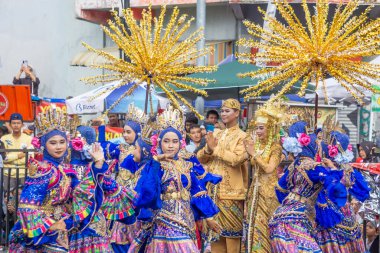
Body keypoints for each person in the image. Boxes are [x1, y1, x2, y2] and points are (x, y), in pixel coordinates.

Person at [8, 106, 136, 252]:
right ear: (43, 144)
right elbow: (27, 205)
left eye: (62, 142)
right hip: (42, 234)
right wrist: (51, 225)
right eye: (53, 143)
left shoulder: (65, 169)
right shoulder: (42, 169)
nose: (58, 147)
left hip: (61, 231)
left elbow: (82, 192)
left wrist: (98, 165)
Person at [129, 106, 221, 253]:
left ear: (181, 143)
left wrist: (209, 217)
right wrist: (155, 162)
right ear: (159, 142)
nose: (170, 145)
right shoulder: (154, 165)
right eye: (166, 141)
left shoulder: (187, 164)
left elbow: (197, 190)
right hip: (163, 218)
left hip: (186, 218)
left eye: (174, 141)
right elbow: (147, 191)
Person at [269, 121, 348, 253]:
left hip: (278, 217)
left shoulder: (293, 166)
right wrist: (333, 169)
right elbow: (336, 188)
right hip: (295, 220)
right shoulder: (315, 168)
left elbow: (279, 188)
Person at [198, 99, 248, 253]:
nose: (223, 113)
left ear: (237, 113)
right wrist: (208, 150)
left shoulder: (243, 137)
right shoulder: (216, 133)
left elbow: (236, 159)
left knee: (232, 239)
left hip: (231, 194)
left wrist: (215, 149)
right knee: (215, 236)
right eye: (222, 110)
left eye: (227, 111)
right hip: (212, 192)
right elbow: (200, 158)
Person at [315, 131, 370, 253]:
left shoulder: (345, 168)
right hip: (326, 214)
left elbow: (358, 190)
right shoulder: (322, 166)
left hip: (339, 214)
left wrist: (333, 169)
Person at [243, 101, 285, 253]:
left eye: (261, 128)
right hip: (255, 193)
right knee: (253, 228)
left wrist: (253, 153)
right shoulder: (258, 145)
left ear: (271, 128)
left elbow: (269, 168)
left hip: (268, 196)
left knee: (266, 228)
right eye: (257, 128)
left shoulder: (276, 147)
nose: (258, 131)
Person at [1, 113, 33, 190]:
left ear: (22, 125)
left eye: (18, 123)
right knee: (7, 199)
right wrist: (18, 156)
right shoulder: (4, 139)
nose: (16, 125)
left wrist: (10, 157)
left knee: (23, 199)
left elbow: (30, 158)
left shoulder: (29, 139)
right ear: (10, 125)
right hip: (8, 173)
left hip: (24, 173)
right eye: (14, 123)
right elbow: (3, 158)